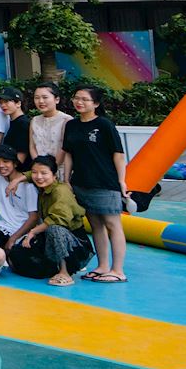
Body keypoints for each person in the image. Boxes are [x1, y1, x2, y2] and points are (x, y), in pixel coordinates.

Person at [60, 84, 131, 283]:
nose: (79, 102)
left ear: (96, 104)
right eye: (76, 98)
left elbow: (118, 155)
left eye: (84, 99)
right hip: (81, 182)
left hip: (105, 182)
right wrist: (66, 179)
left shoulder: (104, 125)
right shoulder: (71, 125)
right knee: (96, 225)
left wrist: (121, 181)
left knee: (112, 224)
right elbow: (68, 154)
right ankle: (102, 266)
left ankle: (118, 270)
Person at [11, 157, 92, 286]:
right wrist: (16, 180)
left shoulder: (60, 191)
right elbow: (32, 175)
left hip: (74, 244)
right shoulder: (43, 185)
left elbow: (57, 219)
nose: (39, 177)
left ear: (54, 175)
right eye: (35, 172)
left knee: (55, 228)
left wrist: (33, 232)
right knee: (17, 255)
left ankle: (65, 271)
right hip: (49, 237)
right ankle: (54, 267)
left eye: (44, 173)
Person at [0, 144, 37, 244]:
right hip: (2, 228)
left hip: (23, 232)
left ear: (15, 164)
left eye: (6, 161)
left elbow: (33, 218)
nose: (1, 165)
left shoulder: (29, 186)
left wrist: (13, 238)